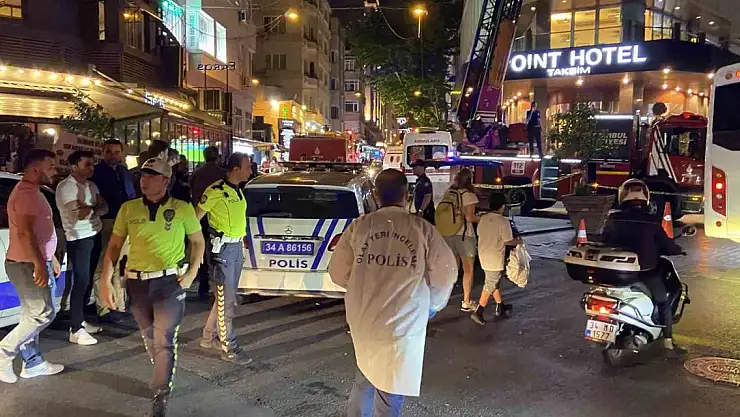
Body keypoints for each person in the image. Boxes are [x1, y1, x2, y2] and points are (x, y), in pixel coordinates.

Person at [328, 169, 457, 417]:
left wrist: (361, 289)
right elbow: (446, 273)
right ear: (407, 195)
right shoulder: (422, 229)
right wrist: (430, 306)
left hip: (365, 316)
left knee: (365, 371)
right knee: (391, 386)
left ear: (375, 196)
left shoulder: (360, 227)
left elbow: (337, 272)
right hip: (403, 320)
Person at [100, 157, 205, 416]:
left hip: (168, 283)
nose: (144, 180)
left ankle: (160, 394)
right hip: (136, 283)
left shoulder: (182, 208)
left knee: (164, 340)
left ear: (165, 180)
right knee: (149, 338)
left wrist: (192, 272)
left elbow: (198, 241)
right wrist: (106, 279)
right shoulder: (129, 209)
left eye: (151, 175)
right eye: (142, 175)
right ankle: (161, 372)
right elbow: (114, 245)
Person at [0, 149, 64, 384]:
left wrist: (49, 258)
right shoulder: (25, 195)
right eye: (51, 166)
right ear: (37, 168)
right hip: (26, 263)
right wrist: (39, 264)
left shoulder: (33, 192)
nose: (55, 171)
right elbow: (25, 233)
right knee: (41, 314)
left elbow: (40, 231)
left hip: (33, 261)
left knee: (32, 314)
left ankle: (34, 363)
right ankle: (4, 353)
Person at [602, 179, 684, 352]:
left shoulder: (613, 219)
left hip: (615, 271)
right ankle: (668, 342)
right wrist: (677, 249)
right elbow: (667, 245)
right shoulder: (651, 222)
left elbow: (605, 240)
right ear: (645, 198)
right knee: (663, 302)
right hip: (645, 271)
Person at [197, 153, 252, 364]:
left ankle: (208, 336)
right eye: (247, 167)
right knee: (226, 301)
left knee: (225, 298)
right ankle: (229, 347)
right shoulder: (215, 191)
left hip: (235, 247)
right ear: (236, 169)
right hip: (222, 251)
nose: (250, 171)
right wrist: (197, 247)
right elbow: (194, 219)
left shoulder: (237, 190)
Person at [56, 150, 108, 345]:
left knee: (87, 281)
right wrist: (95, 209)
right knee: (81, 281)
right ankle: (75, 328)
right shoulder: (66, 187)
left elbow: (104, 207)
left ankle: (81, 320)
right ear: (74, 166)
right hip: (79, 239)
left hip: (94, 234)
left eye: (92, 164)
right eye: (87, 164)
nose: (91, 168)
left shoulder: (91, 185)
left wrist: (91, 209)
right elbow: (79, 214)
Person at [90, 139, 136, 323]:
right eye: (109, 151)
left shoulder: (124, 172)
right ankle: (104, 307)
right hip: (107, 222)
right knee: (104, 265)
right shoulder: (97, 173)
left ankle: (118, 305)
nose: (113, 155)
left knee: (120, 266)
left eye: (117, 152)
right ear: (103, 152)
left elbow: (131, 195)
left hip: (126, 222)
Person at [470, 193, 521, 325]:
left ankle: (500, 306)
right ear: (502, 206)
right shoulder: (503, 221)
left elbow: (479, 233)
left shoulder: (483, 219)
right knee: (490, 283)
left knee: (493, 282)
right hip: (495, 257)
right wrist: (519, 241)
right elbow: (508, 241)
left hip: (483, 254)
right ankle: (479, 311)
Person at [190, 146, 226, 298]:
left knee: (201, 248)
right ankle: (218, 284)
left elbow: (192, 191)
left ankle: (203, 283)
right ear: (217, 156)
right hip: (217, 218)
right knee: (217, 251)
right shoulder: (223, 173)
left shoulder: (197, 173)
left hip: (199, 215)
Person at [443, 168, 480, 312]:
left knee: (453, 268)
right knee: (468, 270)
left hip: (448, 233)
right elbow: (470, 218)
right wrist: (482, 218)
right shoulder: (469, 195)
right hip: (464, 235)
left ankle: (443, 297)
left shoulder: (449, 193)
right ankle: (466, 301)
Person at [411, 159, 435, 224]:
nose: (413, 169)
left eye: (415, 166)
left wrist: (421, 211)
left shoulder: (425, 181)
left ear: (421, 167)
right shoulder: (420, 181)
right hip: (423, 213)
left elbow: (427, 197)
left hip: (427, 213)